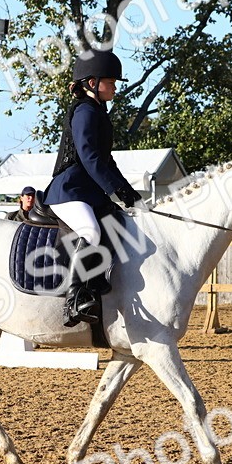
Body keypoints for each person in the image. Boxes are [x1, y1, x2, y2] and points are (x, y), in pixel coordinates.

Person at [43, 49, 142, 327]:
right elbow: (90, 157)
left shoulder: (97, 111)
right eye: (110, 82)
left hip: (87, 191)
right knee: (91, 231)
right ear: (92, 83)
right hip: (70, 190)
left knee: (117, 223)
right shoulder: (85, 111)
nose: (114, 87)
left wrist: (128, 191)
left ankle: (99, 284)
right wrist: (115, 189)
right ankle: (73, 299)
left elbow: (107, 160)